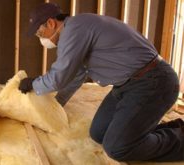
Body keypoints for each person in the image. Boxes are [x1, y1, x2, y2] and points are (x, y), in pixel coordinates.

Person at [18, 2, 184, 162]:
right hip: (128, 84)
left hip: (154, 82)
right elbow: (76, 76)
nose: (41, 39)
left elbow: (58, 78)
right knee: (99, 133)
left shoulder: (74, 30)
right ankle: (171, 129)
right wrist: (56, 105)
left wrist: (33, 84)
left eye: (40, 33)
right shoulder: (78, 28)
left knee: (117, 148)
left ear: (51, 23)